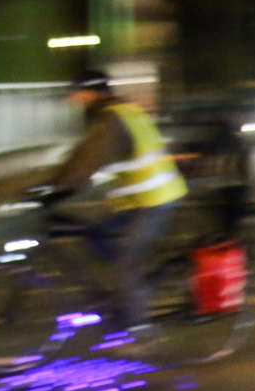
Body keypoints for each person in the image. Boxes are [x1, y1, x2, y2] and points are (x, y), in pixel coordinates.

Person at [33, 69, 188, 334]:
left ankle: (139, 328)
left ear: (90, 92)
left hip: (154, 199)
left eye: (77, 93)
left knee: (128, 262)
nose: (74, 100)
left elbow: (89, 161)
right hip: (138, 199)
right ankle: (133, 286)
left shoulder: (112, 118)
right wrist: (51, 183)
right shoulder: (117, 112)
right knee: (95, 233)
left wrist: (60, 191)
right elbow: (81, 155)